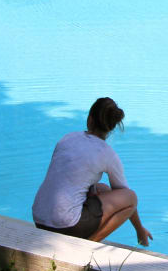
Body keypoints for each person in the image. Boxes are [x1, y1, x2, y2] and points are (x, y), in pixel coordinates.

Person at [32, 97, 152, 246]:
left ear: (89, 119)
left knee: (104, 189)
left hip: (39, 219)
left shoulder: (67, 138)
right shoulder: (107, 153)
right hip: (66, 226)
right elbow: (127, 198)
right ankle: (88, 244)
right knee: (130, 198)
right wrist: (140, 230)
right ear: (111, 128)